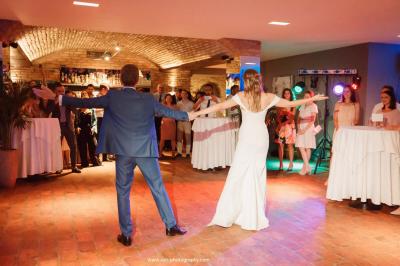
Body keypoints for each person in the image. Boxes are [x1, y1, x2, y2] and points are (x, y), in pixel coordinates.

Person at [34, 64, 191, 246]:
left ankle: (125, 234)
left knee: (123, 192)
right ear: (137, 79)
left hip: (123, 151)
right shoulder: (148, 99)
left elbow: (85, 103)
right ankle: (171, 226)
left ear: (121, 79)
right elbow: (171, 112)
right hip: (145, 151)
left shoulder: (113, 97)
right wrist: (194, 114)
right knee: (158, 188)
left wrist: (56, 97)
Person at [190, 69, 327, 231]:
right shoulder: (268, 97)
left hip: (247, 136)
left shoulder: (241, 96)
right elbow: (290, 104)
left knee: (238, 172)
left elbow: (219, 106)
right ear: (259, 81)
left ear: (246, 81)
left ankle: (231, 213)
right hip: (260, 138)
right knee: (257, 173)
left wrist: (194, 114)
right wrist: (313, 98)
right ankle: (252, 215)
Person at [42, 82, 81, 173]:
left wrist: (72, 101)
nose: (62, 93)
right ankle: (58, 167)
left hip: (68, 126)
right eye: (59, 91)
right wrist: (55, 102)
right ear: (55, 92)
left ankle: (74, 166)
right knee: (57, 148)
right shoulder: (51, 100)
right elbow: (47, 112)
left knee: (73, 146)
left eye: (63, 91)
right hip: (57, 127)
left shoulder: (67, 100)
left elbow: (75, 112)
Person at [295, 90, 319, 176]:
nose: (306, 98)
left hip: (308, 128)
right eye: (305, 97)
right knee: (301, 146)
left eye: (308, 97)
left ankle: (304, 168)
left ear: (311, 97)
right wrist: (299, 128)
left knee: (308, 147)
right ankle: (308, 166)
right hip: (301, 127)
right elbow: (299, 118)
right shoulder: (302, 105)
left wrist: (304, 129)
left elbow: (312, 120)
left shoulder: (313, 106)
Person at [76, 92, 101, 168]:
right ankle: (84, 162)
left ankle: (94, 161)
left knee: (93, 147)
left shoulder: (92, 109)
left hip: (90, 129)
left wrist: (93, 127)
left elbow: (95, 120)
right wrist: (77, 127)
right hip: (81, 130)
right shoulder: (78, 110)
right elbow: (76, 121)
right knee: (82, 147)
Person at [275, 88, 296, 171]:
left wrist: (286, 112)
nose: (287, 95)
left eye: (288, 93)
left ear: (290, 94)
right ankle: (281, 164)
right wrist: (280, 124)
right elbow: (278, 116)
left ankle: (291, 163)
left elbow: (293, 115)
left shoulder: (293, 104)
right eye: (285, 93)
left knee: (290, 145)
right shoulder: (280, 104)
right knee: (280, 145)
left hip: (290, 126)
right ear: (283, 95)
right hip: (282, 126)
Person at [176, 90, 194, 157]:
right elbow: (176, 112)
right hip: (180, 121)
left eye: (184, 93)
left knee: (188, 137)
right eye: (182, 93)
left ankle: (188, 153)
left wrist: (190, 119)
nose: (183, 94)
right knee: (179, 137)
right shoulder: (178, 103)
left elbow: (193, 112)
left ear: (187, 95)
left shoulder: (191, 103)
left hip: (187, 122)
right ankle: (179, 152)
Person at [96, 85, 109, 161]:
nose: (107, 91)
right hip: (99, 118)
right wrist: (104, 108)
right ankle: (97, 156)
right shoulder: (98, 97)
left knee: (106, 137)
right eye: (107, 90)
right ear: (103, 89)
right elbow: (95, 108)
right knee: (99, 137)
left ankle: (105, 156)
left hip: (105, 118)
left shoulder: (106, 97)